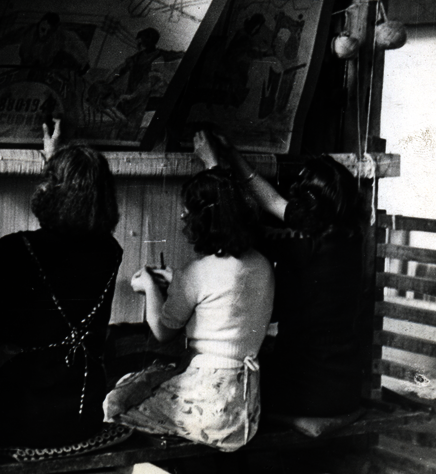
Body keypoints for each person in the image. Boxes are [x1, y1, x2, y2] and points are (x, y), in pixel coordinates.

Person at [0, 120, 124, 452]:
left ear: (48, 190)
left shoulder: (16, 249)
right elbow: (77, 232)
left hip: (20, 417)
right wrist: (60, 162)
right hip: (82, 414)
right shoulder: (110, 252)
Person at [103, 159, 275, 452]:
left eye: (187, 210)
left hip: (206, 408)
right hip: (243, 407)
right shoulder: (262, 264)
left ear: (200, 219)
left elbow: (162, 331)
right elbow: (224, 298)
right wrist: (178, 283)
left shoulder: (196, 273)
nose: (183, 214)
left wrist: (148, 287)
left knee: (116, 402)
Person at [195, 130, 365, 418]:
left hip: (308, 394)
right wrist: (234, 156)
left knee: (225, 394)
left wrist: (212, 167)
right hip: (345, 389)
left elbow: (239, 224)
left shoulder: (302, 246)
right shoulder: (347, 236)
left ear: (307, 209)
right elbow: (274, 202)